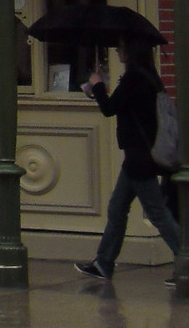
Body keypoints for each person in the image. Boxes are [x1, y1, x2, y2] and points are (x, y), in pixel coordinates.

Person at [77, 39, 180, 280]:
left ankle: (185, 257)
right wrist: (99, 88)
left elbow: (109, 108)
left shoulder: (134, 79)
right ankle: (104, 262)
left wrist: (98, 85)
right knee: (117, 207)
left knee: (157, 213)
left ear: (132, 51)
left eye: (121, 47)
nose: (117, 51)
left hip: (139, 158)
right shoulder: (148, 77)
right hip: (138, 156)